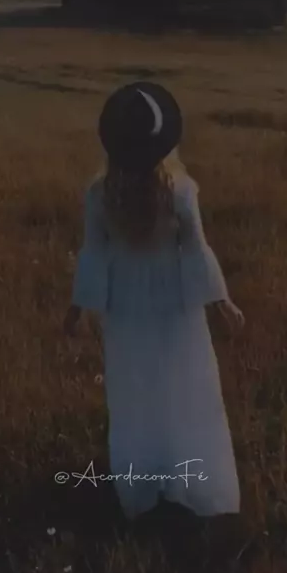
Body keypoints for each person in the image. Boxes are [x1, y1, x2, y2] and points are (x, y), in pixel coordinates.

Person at [63, 81, 245, 522]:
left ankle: (143, 480)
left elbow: (94, 254)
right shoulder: (180, 190)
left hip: (125, 306)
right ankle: (191, 480)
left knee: (135, 386)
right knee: (183, 382)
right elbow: (196, 249)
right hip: (174, 303)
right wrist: (219, 301)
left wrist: (78, 307)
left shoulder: (100, 194)